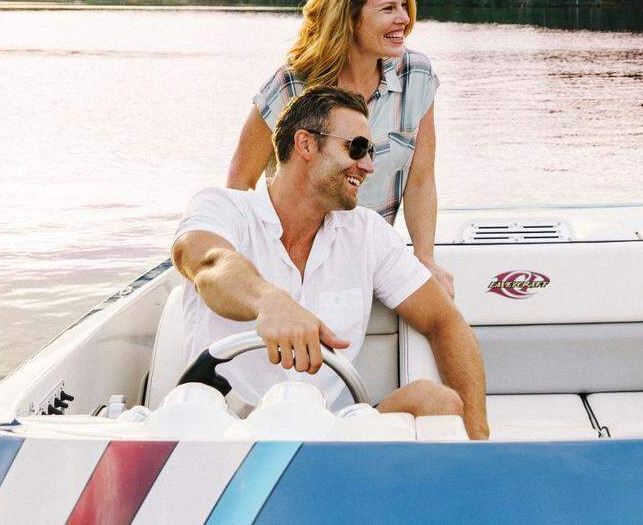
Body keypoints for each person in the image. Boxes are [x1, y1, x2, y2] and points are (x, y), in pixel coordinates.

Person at [175, 85, 489, 439]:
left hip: (330, 440)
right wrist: (269, 301)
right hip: (227, 436)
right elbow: (209, 264)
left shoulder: (368, 233)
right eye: (356, 148)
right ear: (306, 144)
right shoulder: (222, 208)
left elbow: (444, 320)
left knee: (436, 402)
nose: (368, 166)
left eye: (371, 152)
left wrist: (479, 446)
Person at [226, 0, 455, 296]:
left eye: (404, 6)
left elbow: (420, 180)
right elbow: (239, 182)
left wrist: (425, 258)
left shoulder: (416, 76)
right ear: (350, 17)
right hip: (292, 267)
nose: (404, 20)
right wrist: (247, 270)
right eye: (389, 9)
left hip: (370, 262)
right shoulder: (292, 84)